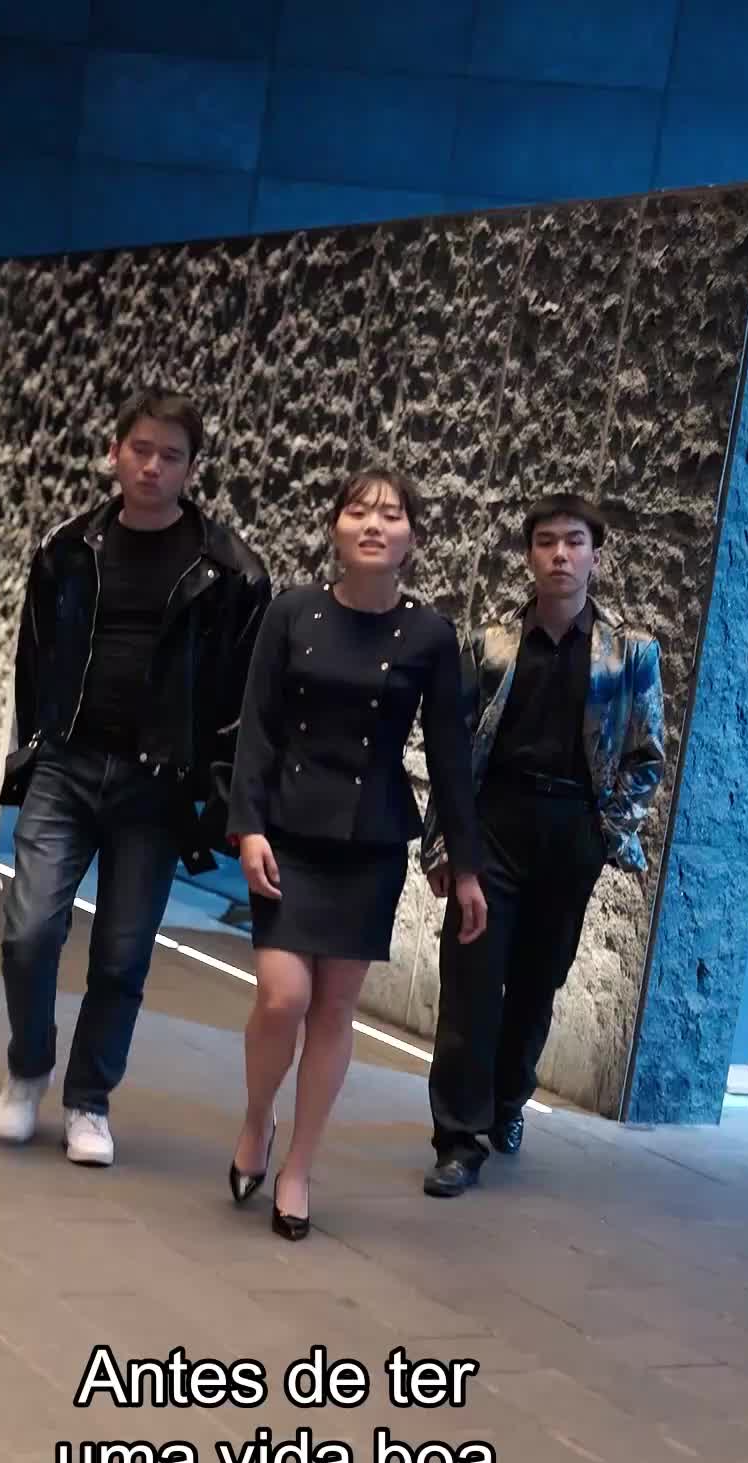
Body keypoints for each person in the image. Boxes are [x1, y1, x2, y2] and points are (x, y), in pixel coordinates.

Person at [0, 386, 270, 1165]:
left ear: (192, 468)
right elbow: (34, 655)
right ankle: (28, 1067)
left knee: (121, 954)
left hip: (158, 784)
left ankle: (89, 1100)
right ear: (115, 453)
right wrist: (38, 740)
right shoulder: (66, 548)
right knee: (28, 931)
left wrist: (211, 787)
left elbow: (239, 693)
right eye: (140, 450)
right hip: (67, 763)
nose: (152, 467)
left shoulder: (231, 571)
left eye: (170, 456)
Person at [227, 467, 487, 1240]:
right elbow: (257, 726)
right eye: (359, 511)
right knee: (282, 998)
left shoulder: (430, 635)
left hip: (370, 840)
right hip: (288, 829)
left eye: (392, 514)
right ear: (335, 527)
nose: (374, 524)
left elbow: (449, 754)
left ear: (412, 538)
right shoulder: (292, 612)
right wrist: (247, 827)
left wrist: (466, 866)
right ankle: (256, 1120)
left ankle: (299, 1169)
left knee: (334, 1009)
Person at [420, 493, 665, 1197]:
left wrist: (604, 832)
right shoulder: (491, 644)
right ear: (529, 555)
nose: (561, 555)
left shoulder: (630, 653)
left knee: (536, 985)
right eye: (547, 542)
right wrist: (444, 847)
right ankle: (458, 1139)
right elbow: (452, 752)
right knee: (470, 983)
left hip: (571, 831)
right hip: (493, 824)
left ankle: (507, 1101)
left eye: (574, 542)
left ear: (596, 556)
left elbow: (646, 757)